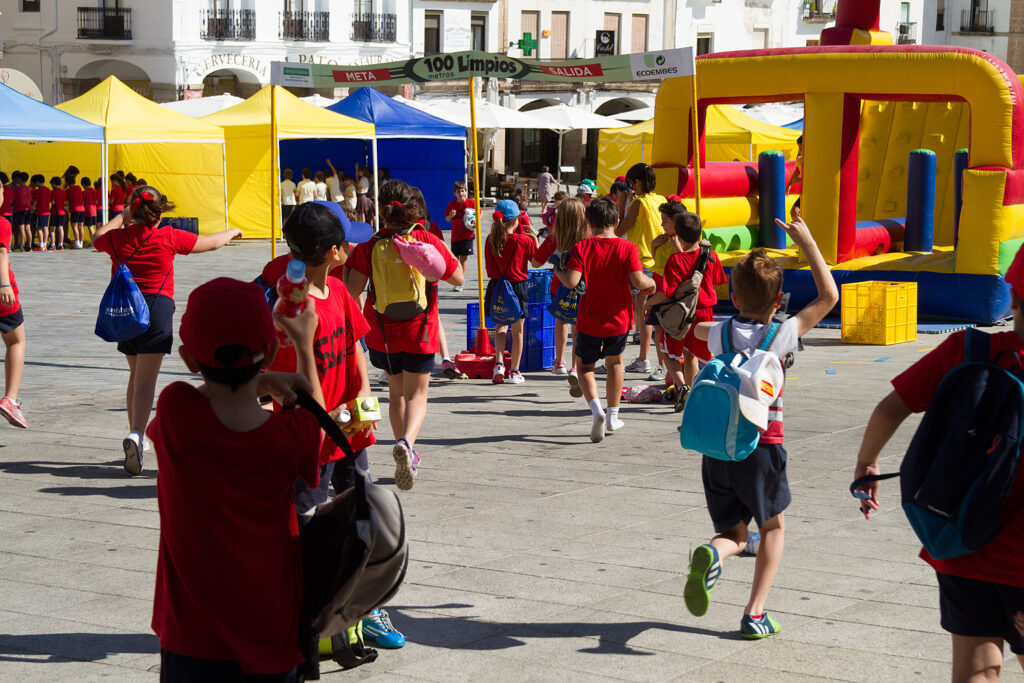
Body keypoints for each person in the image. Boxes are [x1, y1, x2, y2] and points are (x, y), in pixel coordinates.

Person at [852, 244, 1024, 680]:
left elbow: (891, 407)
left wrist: (868, 464)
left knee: (975, 671)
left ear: (1013, 298)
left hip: (960, 540)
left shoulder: (965, 351)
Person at [148, 276, 322, 681]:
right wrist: (302, 346)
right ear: (271, 349)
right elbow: (312, 410)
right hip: (272, 633)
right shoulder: (288, 435)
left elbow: (209, 395)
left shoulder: (176, 414)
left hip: (191, 640)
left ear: (189, 359)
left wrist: (259, 381)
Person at [684, 209, 837, 638]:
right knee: (773, 527)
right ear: (777, 302)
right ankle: (754, 613)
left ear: (732, 292)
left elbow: (689, 335)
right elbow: (828, 297)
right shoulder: (783, 333)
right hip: (763, 447)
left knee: (734, 531)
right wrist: (807, 244)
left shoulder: (719, 333)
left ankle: (714, 555)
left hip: (717, 449)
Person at [93, 185, 243, 475]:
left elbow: (96, 237)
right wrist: (232, 231)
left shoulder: (117, 239)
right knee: (147, 379)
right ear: (159, 213)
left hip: (127, 311)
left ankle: (135, 433)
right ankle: (137, 434)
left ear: (132, 211)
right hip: (157, 308)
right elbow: (210, 243)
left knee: (135, 375)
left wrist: (119, 218)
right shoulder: (169, 236)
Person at [347, 180, 464, 491]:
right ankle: (407, 446)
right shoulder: (427, 239)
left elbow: (352, 291)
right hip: (420, 330)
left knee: (397, 391)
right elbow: (458, 277)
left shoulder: (370, 246)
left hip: (382, 333)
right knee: (417, 395)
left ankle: (404, 449)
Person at [260, 201, 373, 515]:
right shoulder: (294, 313)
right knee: (306, 518)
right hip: (311, 442)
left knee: (362, 508)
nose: (353, 247)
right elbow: (290, 388)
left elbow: (355, 350)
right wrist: (329, 420)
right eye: (348, 242)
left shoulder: (337, 290)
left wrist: (363, 392)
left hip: (351, 427)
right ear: (333, 252)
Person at [555, 196, 654, 442]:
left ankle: (596, 410)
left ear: (589, 223)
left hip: (589, 320)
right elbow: (638, 281)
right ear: (617, 221)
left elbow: (571, 282)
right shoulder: (628, 248)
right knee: (615, 364)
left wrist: (558, 268)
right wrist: (652, 283)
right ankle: (612, 415)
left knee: (586, 367)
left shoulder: (582, 248)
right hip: (619, 320)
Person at [644, 211, 727, 408]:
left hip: (681, 314)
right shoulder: (712, 256)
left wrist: (648, 303)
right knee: (692, 355)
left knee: (669, 353)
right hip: (705, 313)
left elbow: (668, 292)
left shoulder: (675, 260)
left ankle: (681, 386)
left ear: (678, 235)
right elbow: (720, 280)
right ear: (700, 233)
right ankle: (690, 393)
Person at [532, 197, 588, 392]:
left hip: (559, 287)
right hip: (583, 288)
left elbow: (535, 263)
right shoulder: (588, 238)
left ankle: (559, 361)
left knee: (561, 321)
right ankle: (575, 366)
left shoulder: (554, 239)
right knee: (578, 327)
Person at [616, 163, 667, 376]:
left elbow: (619, 230)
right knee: (659, 317)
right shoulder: (661, 199)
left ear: (637, 182)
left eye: (631, 185)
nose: (631, 189)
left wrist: (621, 204)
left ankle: (644, 359)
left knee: (644, 315)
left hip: (642, 262)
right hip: (660, 262)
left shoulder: (638, 204)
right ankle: (662, 362)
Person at [409, 187, 465, 380]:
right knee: (434, 316)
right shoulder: (431, 228)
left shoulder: (397, 230)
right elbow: (442, 255)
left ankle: (389, 369)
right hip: (429, 281)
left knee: (408, 320)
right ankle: (446, 357)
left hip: (407, 283)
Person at [486, 199, 538, 385]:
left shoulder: (490, 239)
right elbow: (536, 261)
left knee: (501, 326)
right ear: (516, 220)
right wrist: (535, 239)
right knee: (518, 331)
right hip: (517, 286)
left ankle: (498, 364)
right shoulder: (523, 240)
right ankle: (514, 371)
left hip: (497, 286)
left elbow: (489, 268)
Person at [645, 200, 689, 383]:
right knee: (657, 329)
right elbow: (658, 264)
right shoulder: (663, 240)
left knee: (673, 331)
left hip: (672, 294)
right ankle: (663, 364)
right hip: (658, 290)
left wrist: (678, 250)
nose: (662, 224)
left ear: (677, 222)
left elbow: (686, 266)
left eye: (665, 221)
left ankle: (678, 364)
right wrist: (654, 247)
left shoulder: (684, 242)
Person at [0, 216, 27, 428]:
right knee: (16, 341)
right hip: (3, 293)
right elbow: (1, 252)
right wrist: (4, 284)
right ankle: (10, 398)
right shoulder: (2, 223)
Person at [445, 181, 475, 288]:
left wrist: (476, 221)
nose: (461, 193)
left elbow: (480, 213)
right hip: (455, 236)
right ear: (454, 193)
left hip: (467, 236)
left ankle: (460, 280)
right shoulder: (452, 204)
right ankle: (456, 279)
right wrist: (450, 215)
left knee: (463, 258)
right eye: (458, 192)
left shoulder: (471, 203)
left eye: (463, 191)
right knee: (455, 259)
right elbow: (447, 219)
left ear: (466, 192)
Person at [12, 173, 32, 252]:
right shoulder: (29, 189)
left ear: (20, 179)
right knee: (28, 228)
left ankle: (21, 246)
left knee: (21, 229)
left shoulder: (17, 189)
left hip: (20, 210)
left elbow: (14, 200)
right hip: (28, 210)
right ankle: (29, 246)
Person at [65, 172, 86, 249]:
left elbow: (66, 201)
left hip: (74, 210)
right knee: (81, 227)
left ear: (67, 183)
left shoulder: (68, 191)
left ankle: (76, 243)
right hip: (82, 209)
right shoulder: (79, 188)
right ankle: (81, 243)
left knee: (74, 227)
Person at [31, 174, 51, 252]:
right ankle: (45, 245)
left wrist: (32, 208)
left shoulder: (37, 191)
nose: (35, 185)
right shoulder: (48, 190)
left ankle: (41, 245)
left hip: (40, 212)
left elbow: (35, 202)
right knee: (45, 228)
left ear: (38, 182)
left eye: (35, 183)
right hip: (47, 212)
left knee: (39, 228)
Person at [48, 177, 66, 251]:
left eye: (52, 184)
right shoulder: (63, 192)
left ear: (54, 184)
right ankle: (60, 244)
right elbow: (65, 202)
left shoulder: (53, 192)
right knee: (60, 228)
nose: (51, 186)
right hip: (62, 212)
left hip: (55, 212)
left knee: (51, 228)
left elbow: (53, 202)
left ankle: (52, 245)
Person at [82, 177, 98, 244]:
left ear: (83, 184)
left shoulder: (85, 192)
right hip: (94, 211)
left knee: (90, 227)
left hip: (88, 211)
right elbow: (96, 201)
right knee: (92, 227)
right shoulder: (94, 191)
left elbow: (83, 202)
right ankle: (94, 241)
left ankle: (94, 242)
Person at [0, 173, 13, 247]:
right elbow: (11, 201)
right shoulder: (9, 189)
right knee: (7, 230)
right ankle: (8, 246)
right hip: (8, 212)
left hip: (1, 213)